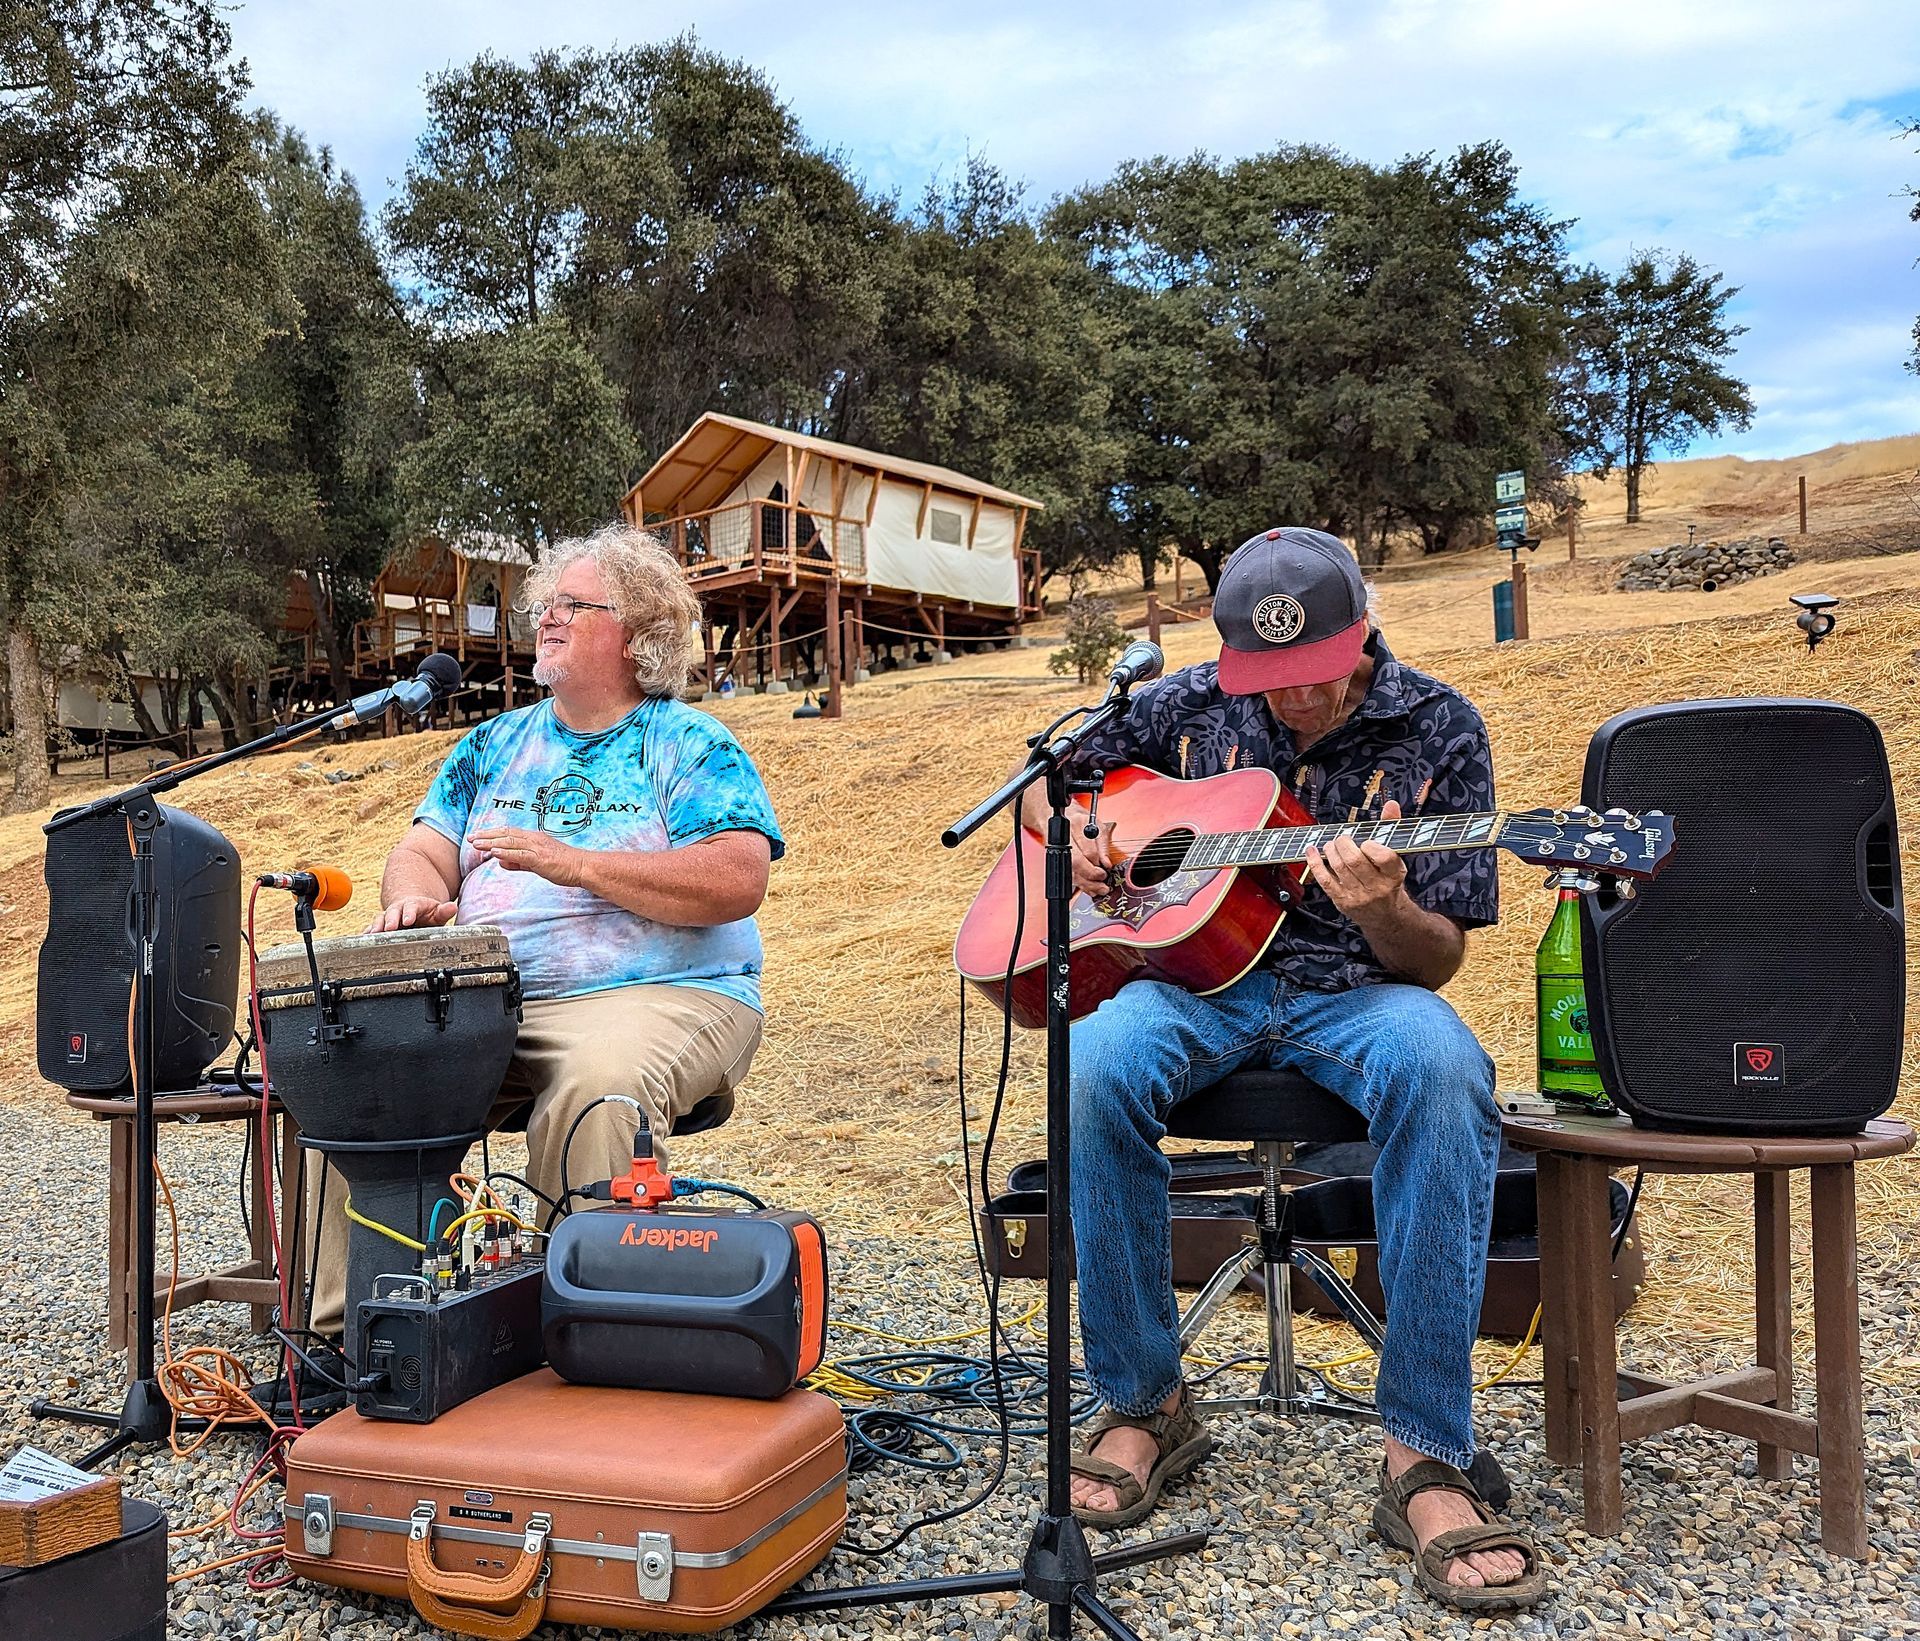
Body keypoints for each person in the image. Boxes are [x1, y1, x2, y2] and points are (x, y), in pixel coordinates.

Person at [1028, 527, 1544, 1613]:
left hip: (1361, 995)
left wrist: (1387, 907)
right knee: (1090, 1063)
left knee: (1447, 1075)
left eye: (1314, 674)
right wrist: (1074, 834)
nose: (1295, 700)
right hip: (1190, 983)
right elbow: (1049, 789)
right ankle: (1144, 1401)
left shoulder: (1441, 728)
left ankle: (1423, 1452)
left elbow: (1439, 957)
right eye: (1271, 681)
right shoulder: (1184, 705)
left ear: (1361, 630)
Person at [308, 522, 783, 1334]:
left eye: (573, 604)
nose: (547, 618)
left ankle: (583, 1339)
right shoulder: (491, 745)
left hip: (660, 994)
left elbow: (739, 877)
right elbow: (422, 848)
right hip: (487, 1001)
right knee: (357, 1090)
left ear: (638, 635)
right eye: (545, 604)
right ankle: (355, 1345)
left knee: (598, 1089)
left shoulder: (688, 741)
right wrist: (415, 898)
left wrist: (580, 864)